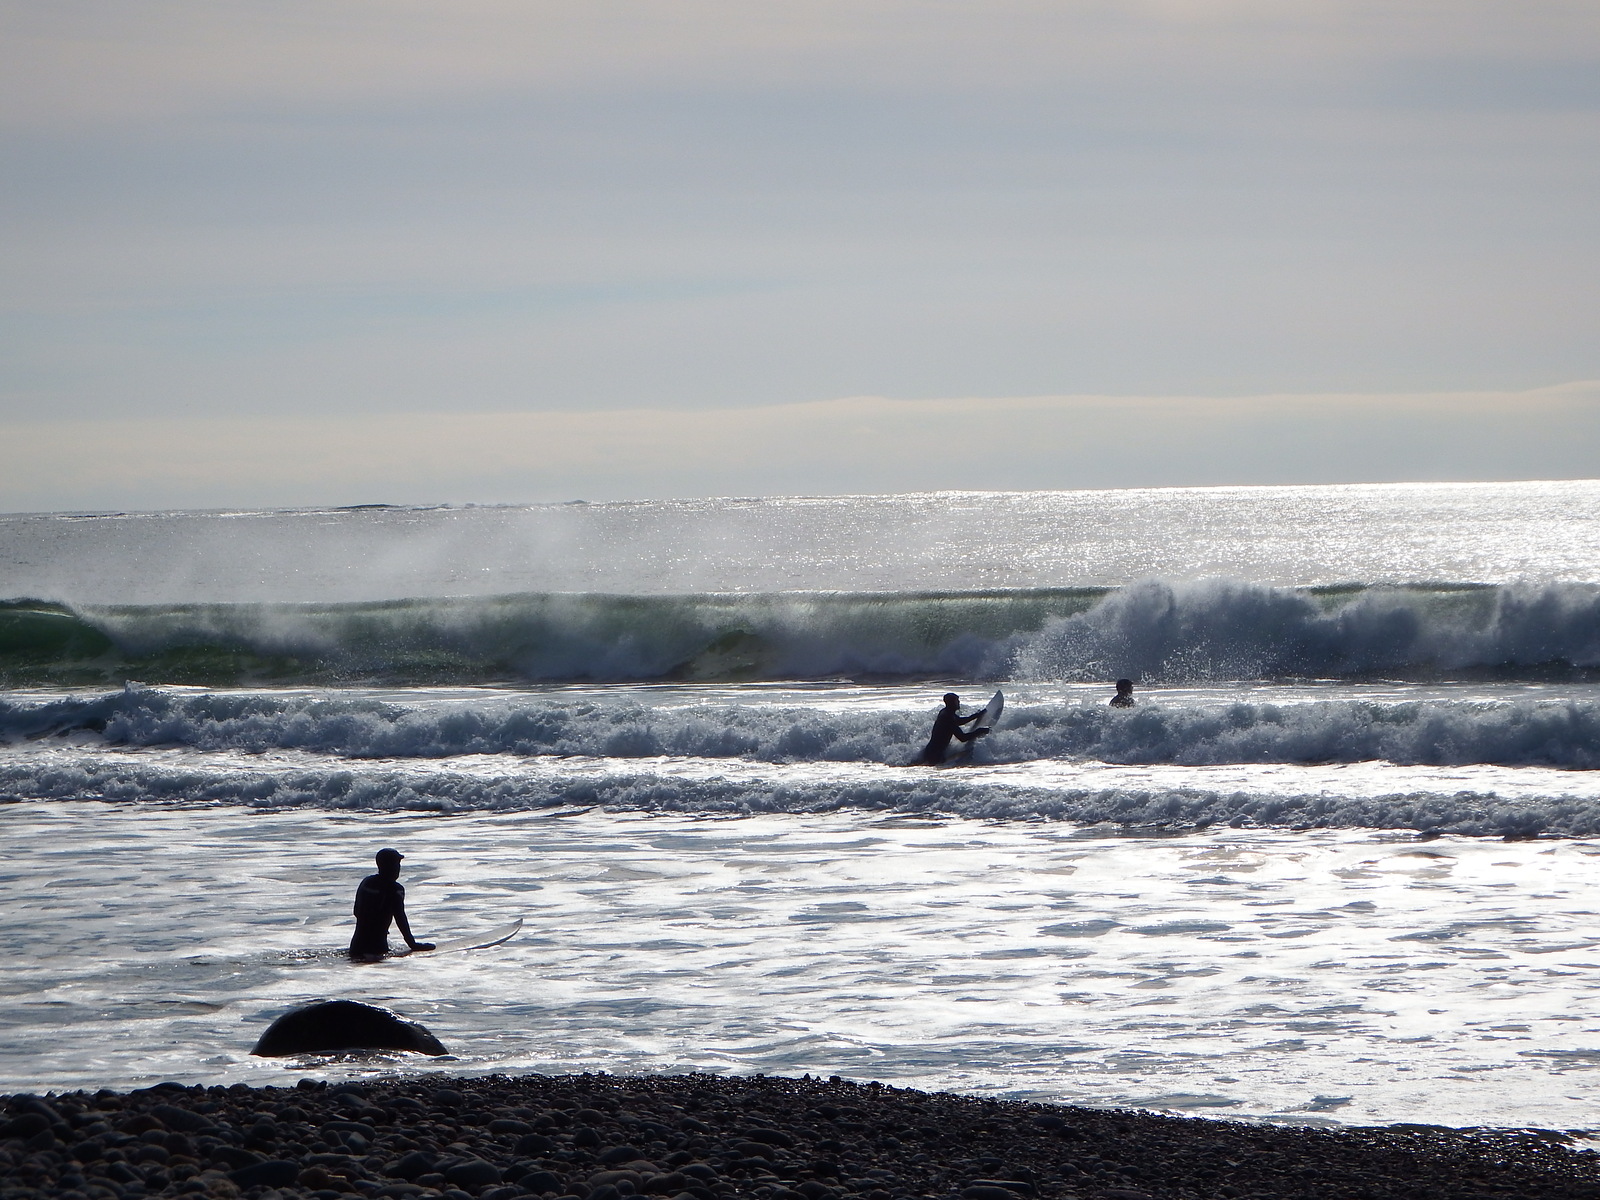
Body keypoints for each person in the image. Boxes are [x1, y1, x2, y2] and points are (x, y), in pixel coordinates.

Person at [349, 848, 435, 960]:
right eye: (397, 864)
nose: (399, 868)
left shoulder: (366, 883)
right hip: (377, 947)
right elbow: (400, 917)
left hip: (356, 945)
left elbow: (356, 911)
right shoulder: (395, 889)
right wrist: (412, 944)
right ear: (391, 866)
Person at [917, 692, 989, 764]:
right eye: (956, 701)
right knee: (965, 754)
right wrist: (980, 731)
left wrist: (976, 715)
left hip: (931, 752)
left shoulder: (946, 712)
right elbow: (962, 738)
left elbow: (960, 721)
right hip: (935, 755)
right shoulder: (948, 717)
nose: (959, 702)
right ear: (951, 703)